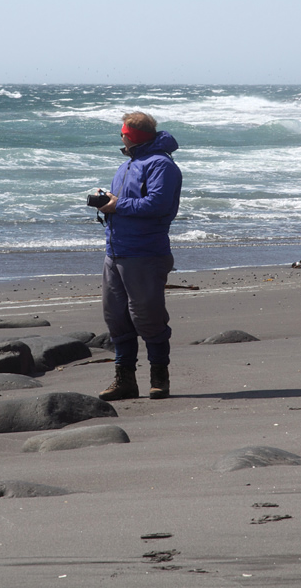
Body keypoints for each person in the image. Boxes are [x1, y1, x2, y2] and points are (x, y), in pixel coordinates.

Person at [95, 111, 182, 400]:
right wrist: (108, 202)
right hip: (116, 250)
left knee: (148, 316)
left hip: (145, 252)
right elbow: (126, 203)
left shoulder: (162, 165)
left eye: (122, 134)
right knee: (115, 316)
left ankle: (160, 376)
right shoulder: (127, 166)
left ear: (130, 137)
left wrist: (118, 206)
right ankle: (125, 380)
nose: (120, 137)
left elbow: (157, 204)